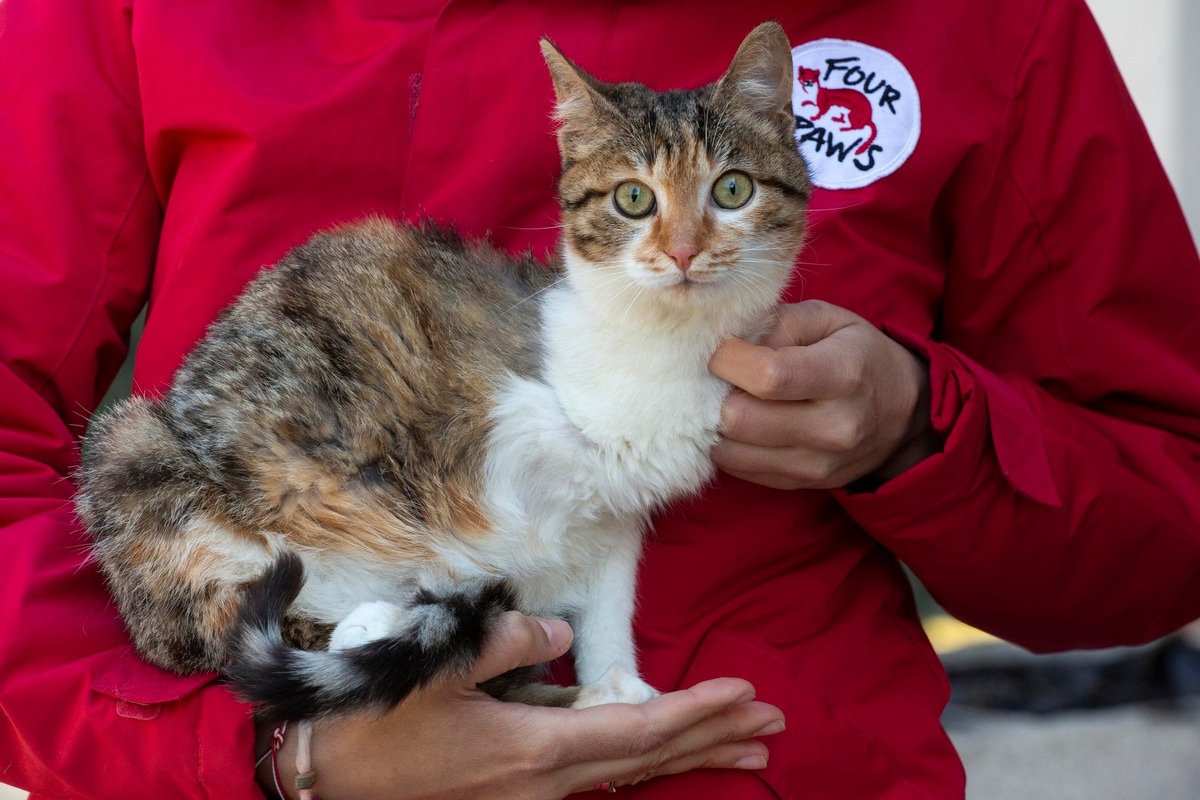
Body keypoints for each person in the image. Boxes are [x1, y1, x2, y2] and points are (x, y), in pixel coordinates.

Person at [1, 1, 1197, 798]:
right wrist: (275, 754)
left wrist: (921, 429)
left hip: (775, 764)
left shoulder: (978, 21)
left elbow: (1168, 506)